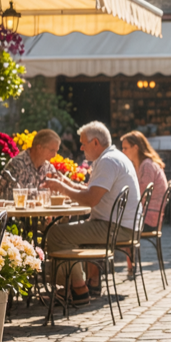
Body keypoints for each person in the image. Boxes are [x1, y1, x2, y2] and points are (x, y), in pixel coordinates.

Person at [43, 121, 140, 304]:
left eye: (83, 143)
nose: (81, 147)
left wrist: (62, 188)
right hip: (120, 224)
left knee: (55, 233)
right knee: (62, 228)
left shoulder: (107, 161)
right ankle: (74, 287)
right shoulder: (110, 157)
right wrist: (67, 183)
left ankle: (77, 289)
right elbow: (91, 191)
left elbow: (90, 200)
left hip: (116, 227)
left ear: (95, 142)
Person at [120, 131, 170, 280]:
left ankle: (132, 267)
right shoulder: (143, 164)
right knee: (121, 224)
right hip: (150, 216)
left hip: (150, 219)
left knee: (119, 227)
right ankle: (131, 267)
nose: (123, 152)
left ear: (135, 148)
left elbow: (139, 196)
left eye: (125, 148)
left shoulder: (146, 166)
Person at [0, 128, 59, 196]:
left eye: (56, 151)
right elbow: (11, 196)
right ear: (39, 148)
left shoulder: (49, 168)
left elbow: (55, 196)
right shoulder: (17, 165)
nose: (54, 155)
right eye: (52, 150)